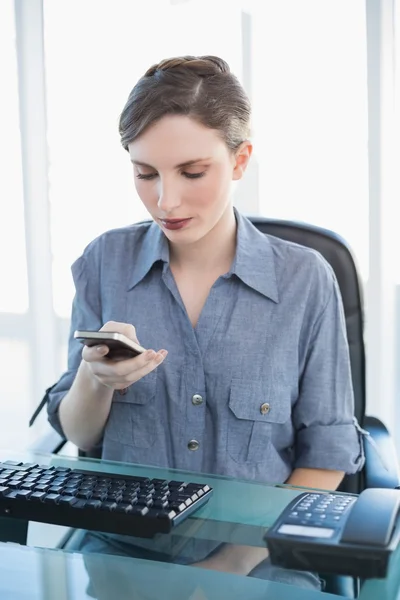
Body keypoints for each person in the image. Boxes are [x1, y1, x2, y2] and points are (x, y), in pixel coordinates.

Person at [47, 55, 364, 592]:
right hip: (121, 550)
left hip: (262, 561)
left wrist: (224, 571)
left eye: (192, 173)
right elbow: (79, 435)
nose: (165, 201)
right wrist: (93, 380)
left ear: (240, 161)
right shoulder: (105, 262)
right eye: (145, 174)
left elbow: (327, 454)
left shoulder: (305, 279)